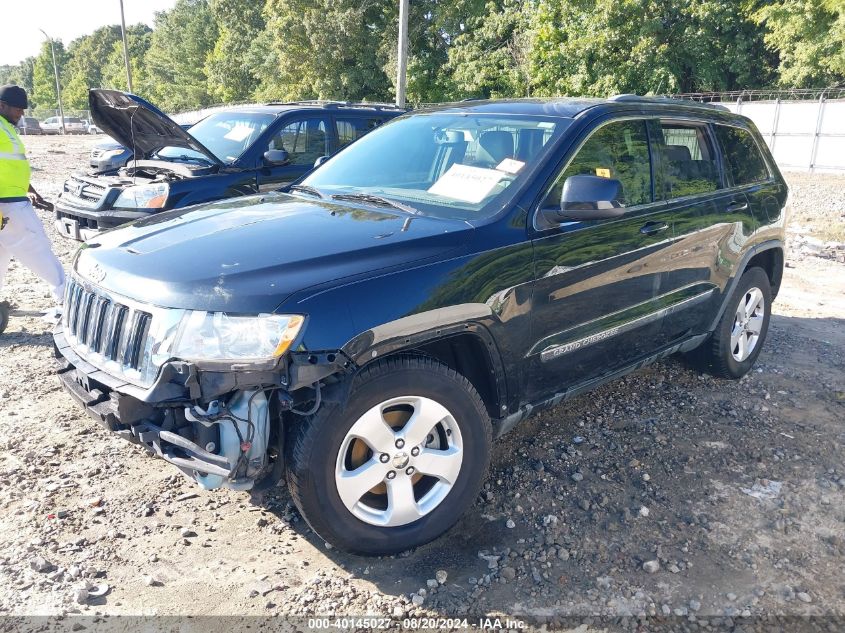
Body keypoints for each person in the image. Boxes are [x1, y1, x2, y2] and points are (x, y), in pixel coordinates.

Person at [0, 84, 66, 332]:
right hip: (9, 207)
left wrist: (30, 190)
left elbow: (11, 166)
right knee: (39, 250)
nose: (21, 114)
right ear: (2, 105)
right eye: (18, 109)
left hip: (12, 201)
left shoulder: (6, 128)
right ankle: (68, 301)